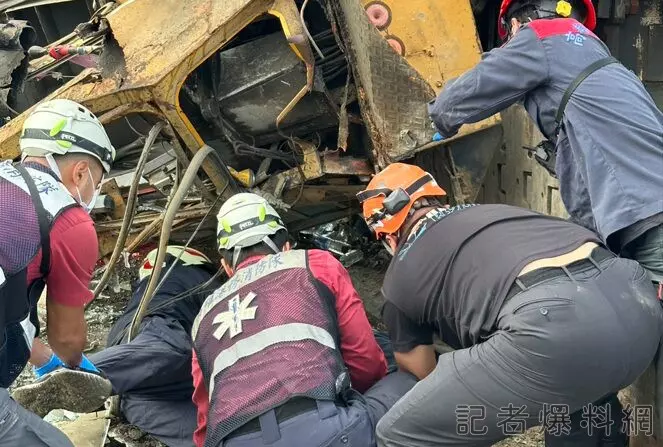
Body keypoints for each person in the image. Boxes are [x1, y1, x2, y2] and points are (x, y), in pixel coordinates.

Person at [355, 163, 663, 447]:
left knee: (398, 433)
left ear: (388, 233)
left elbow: (423, 371)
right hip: (637, 307)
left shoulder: (401, 272)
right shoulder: (499, 213)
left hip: (556, 329)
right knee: (578, 395)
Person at [427, 0, 663, 292]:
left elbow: (461, 97)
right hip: (643, 212)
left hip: (647, 218)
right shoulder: (598, 61)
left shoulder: (541, 36)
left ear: (514, 24)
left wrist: (434, 120)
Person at [190, 192, 416, 447]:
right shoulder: (312, 264)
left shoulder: (203, 318)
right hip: (325, 432)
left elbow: (206, 421)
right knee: (413, 376)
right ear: (285, 246)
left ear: (227, 266)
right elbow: (365, 361)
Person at [13, 245, 222, 447]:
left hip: (146, 372)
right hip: (155, 331)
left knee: (139, 404)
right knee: (170, 350)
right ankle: (82, 372)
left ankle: (82, 375)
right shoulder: (200, 277)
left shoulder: (156, 283)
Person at [0, 98, 115, 446]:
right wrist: (73, 363)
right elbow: (67, 340)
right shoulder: (68, 220)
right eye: (96, 179)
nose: (94, 191)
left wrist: (42, 358)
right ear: (79, 171)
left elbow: (8, 301)